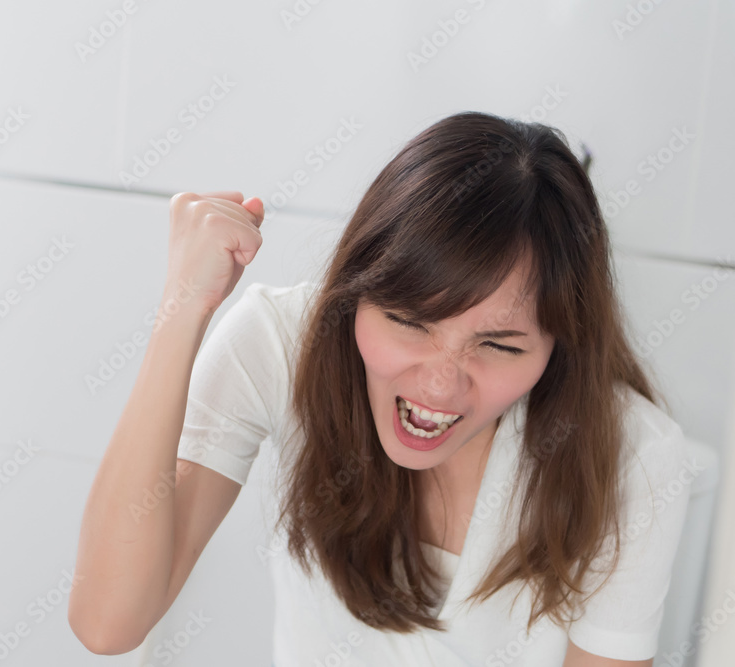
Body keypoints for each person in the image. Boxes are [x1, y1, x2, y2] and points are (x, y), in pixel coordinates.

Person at [68, 111, 691, 666]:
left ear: (561, 345)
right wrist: (184, 308)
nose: (440, 384)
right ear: (356, 291)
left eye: (499, 346)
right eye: (410, 322)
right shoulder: (283, 343)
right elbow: (107, 623)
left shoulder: (634, 455)